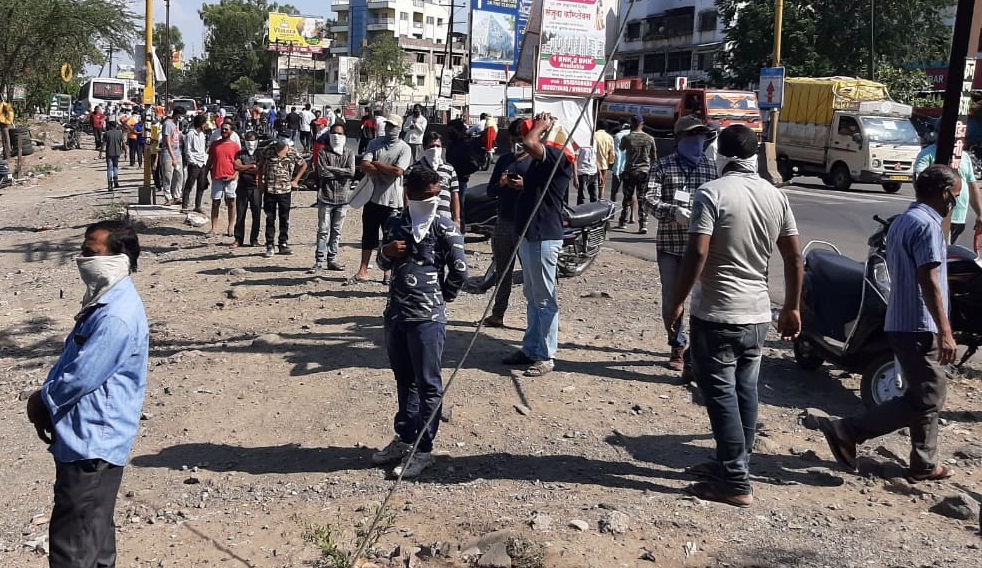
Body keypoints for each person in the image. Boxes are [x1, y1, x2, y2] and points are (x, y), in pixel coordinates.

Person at [665, 124, 802, 507]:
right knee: (745, 390)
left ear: (719, 155)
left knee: (720, 394)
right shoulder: (775, 196)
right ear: (755, 155)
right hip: (758, 314)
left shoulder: (711, 193)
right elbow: (793, 256)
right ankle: (732, 464)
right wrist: (791, 306)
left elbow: (697, 253)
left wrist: (676, 301)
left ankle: (735, 480)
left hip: (717, 312)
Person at [818, 164, 961, 483]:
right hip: (919, 325)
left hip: (902, 320)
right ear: (943, 192)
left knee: (924, 393)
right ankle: (849, 430)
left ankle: (924, 463)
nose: (954, 202)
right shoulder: (927, 226)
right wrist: (946, 330)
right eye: (955, 196)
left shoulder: (904, 220)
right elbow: (929, 279)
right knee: (928, 396)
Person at [25, 220, 149, 568]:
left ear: (118, 259)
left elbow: (80, 376)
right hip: (87, 438)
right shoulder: (106, 302)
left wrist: (42, 401)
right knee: (93, 535)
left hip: (92, 444)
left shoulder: (116, 316)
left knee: (73, 546)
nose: (82, 259)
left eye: (90, 253)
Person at [370, 166, 468, 478]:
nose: (432, 201)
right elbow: (381, 262)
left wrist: (442, 297)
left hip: (427, 318)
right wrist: (387, 251)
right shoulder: (396, 222)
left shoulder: (444, 225)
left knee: (428, 384)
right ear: (409, 194)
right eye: (426, 196)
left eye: (436, 196)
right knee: (404, 379)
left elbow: (460, 271)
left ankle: (424, 449)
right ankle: (405, 438)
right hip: (396, 313)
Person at [644, 115, 718, 373]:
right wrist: (673, 211)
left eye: (701, 135)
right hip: (670, 246)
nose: (697, 140)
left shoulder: (711, 168)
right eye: (692, 135)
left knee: (701, 299)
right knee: (672, 300)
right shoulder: (662, 166)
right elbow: (649, 199)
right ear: (679, 138)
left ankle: (695, 349)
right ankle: (677, 344)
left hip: (701, 247)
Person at [501, 115, 574, 377]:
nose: (530, 138)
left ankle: (546, 356)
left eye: (541, 133)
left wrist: (541, 127)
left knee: (545, 299)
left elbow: (530, 143)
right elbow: (527, 151)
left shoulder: (559, 157)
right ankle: (531, 348)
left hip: (544, 235)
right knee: (532, 297)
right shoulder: (542, 162)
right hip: (529, 234)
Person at [349, 114, 412, 284]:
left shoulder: (404, 148)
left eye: (394, 126)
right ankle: (363, 270)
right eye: (388, 125)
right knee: (368, 235)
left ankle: (387, 272)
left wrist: (376, 164)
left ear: (399, 129)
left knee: (390, 237)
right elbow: (364, 164)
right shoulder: (375, 143)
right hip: (372, 197)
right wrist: (384, 168)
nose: (390, 129)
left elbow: (398, 171)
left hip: (393, 200)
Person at [484, 119, 533, 328]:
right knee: (503, 272)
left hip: (528, 224)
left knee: (532, 276)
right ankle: (498, 313)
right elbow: (490, 190)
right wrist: (502, 183)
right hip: (504, 221)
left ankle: (536, 319)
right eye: (513, 140)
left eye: (520, 140)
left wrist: (525, 185)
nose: (517, 144)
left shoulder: (537, 161)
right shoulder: (504, 160)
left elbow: (547, 193)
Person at [914, 141, 982, 244]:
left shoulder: (964, 156)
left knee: (947, 252)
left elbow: (972, 185)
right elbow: (920, 182)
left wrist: (980, 213)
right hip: (938, 216)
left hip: (959, 218)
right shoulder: (927, 154)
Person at [312, 122, 356, 271]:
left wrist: (332, 169)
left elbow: (351, 172)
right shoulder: (323, 153)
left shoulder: (349, 153)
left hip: (343, 199)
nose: (336, 136)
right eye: (334, 133)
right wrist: (341, 172)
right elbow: (322, 173)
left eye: (340, 133)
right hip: (325, 197)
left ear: (345, 136)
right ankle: (319, 261)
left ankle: (332, 259)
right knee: (323, 230)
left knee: (336, 231)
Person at [258, 136, 307, 257]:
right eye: (281, 136)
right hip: (270, 189)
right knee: (270, 218)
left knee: (284, 218)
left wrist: (296, 180)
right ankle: (270, 244)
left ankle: (283, 243)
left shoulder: (292, 152)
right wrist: (260, 181)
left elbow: (304, 165)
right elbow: (260, 165)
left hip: (285, 190)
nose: (283, 140)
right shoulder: (268, 150)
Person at [618, 114, 657, 233]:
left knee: (627, 197)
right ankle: (643, 223)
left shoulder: (627, 138)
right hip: (644, 171)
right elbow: (654, 156)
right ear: (642, 124)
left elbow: (621, 149)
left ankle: (623, 221)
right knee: (642, 198)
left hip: (630, 171)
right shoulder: (650, 138)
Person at [413, 131, 460, 226]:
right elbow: (407, 194)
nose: (435, 149)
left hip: (444, 219)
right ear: (424, 148)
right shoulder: (414, 169)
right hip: (421, 220)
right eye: (431, 146)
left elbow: (454, 195)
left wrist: (457, 220)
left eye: (438, 146)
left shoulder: (449, 169)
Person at [205, 123, 240, 238]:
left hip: (230, 178)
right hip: (217, 177)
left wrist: (234, 175)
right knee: (215, 203)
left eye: (226, 129)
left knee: (231, 202)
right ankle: (214, 228)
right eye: (222, 129)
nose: (224, 130)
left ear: (231, 131)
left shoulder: (235, 146)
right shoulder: (214, 145)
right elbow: (210, 161)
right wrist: (204, 176)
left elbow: (239, 164)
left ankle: (231, 226)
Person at [444, 118, 483, 222]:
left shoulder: (465, 146)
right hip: (448, 180)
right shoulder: (451, 144)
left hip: (460, 182)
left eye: (453, 130)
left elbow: (474, 165)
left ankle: (460, 232)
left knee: (459, 208)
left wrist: (460, 173)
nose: (450, 133)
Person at [233, 132, 262, 248]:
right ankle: (238, 239)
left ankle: (254, 239)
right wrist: (251, 166)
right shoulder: (240, 153)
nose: (250, 143)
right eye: (248, 141)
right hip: (242, 187)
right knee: (240, 214)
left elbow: (260, 169)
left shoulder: (260, 154)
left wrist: (245, 168)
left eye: (253, 141)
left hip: (256, 188)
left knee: (256, 214)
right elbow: (236, 166)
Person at [181, 114, 209, 214]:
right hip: (194, 163)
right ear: (201, 124)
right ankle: (184, 205)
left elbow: (203, 149)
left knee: (201, 185)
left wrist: (205, 159)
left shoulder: (202, 135)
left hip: (202, 162)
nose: (205, 126)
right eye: (204, 124)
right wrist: (192, 162)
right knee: (190, 184)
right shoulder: (190, 134)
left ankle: (198, 205)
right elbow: (187, 150)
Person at [160, 106, 187, 206]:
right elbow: (167, 142)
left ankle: (177, 195)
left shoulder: (177, 124)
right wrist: (173, 157)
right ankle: (168, 197)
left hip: (178, 152)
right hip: (168, 154)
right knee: (168, 176)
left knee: (179, 175)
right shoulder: (168, 124)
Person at [611, 123, 630, 202]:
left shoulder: (618, 136)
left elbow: (618, 154)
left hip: (619, 169)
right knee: (630, 193)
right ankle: (631, 214)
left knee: (614, 192)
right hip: (629, 168)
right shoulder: (633, 136)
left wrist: (617, 171)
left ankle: (612, 213)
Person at [594, 126, 615, 198]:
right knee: (602, 186)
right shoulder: (609, 137)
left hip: (593, 163)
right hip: (604, 164)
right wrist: (611, 162)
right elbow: (612, 152)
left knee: (592, 185)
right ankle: (600, 200)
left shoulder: (593, 135)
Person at [103, 120, 125, 190]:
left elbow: (103, 143)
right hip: (117, 152)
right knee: (115, 166)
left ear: (110, 126)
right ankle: (116, 181)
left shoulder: (107, 133)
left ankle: (110, 184)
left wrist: (100, 152)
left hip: (109, 153)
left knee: (110, 168)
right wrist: (126, 152)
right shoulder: (119, 133)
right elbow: (123, 143)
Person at [575, 140, 599, 205]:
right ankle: (581, 213)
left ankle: (594, 214)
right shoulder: (579, 142)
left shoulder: (595, 142)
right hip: (582, 173)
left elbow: (595, 158)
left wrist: (599, 172)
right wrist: (575, 177)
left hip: (593, 173)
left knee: (595, 198)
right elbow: (575, 160)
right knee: (582, 198)